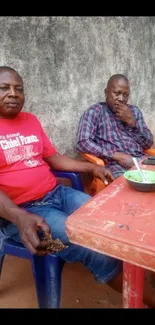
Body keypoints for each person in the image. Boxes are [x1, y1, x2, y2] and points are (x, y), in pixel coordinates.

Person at [0, 66, 155, 308]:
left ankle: (136, 272)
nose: (13, 94)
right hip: (22, 210)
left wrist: (91, 168)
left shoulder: (29, 120)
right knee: (86, 242)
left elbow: (54, 158)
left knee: (106, 221)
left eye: (18, 89)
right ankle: (146, 297)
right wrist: (19, 217)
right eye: (5, 88)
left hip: (56, 193)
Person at [77, 74, 154, 178]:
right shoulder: (94, 112)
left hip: (140, 160)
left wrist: (132, 123)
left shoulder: (134, 112)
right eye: (117, 93)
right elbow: (83, 142)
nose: (121, 98)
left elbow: (148, 143)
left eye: (125, 95)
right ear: (106, 92)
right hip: (114, 165)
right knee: (129, 189)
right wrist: (116, 155)